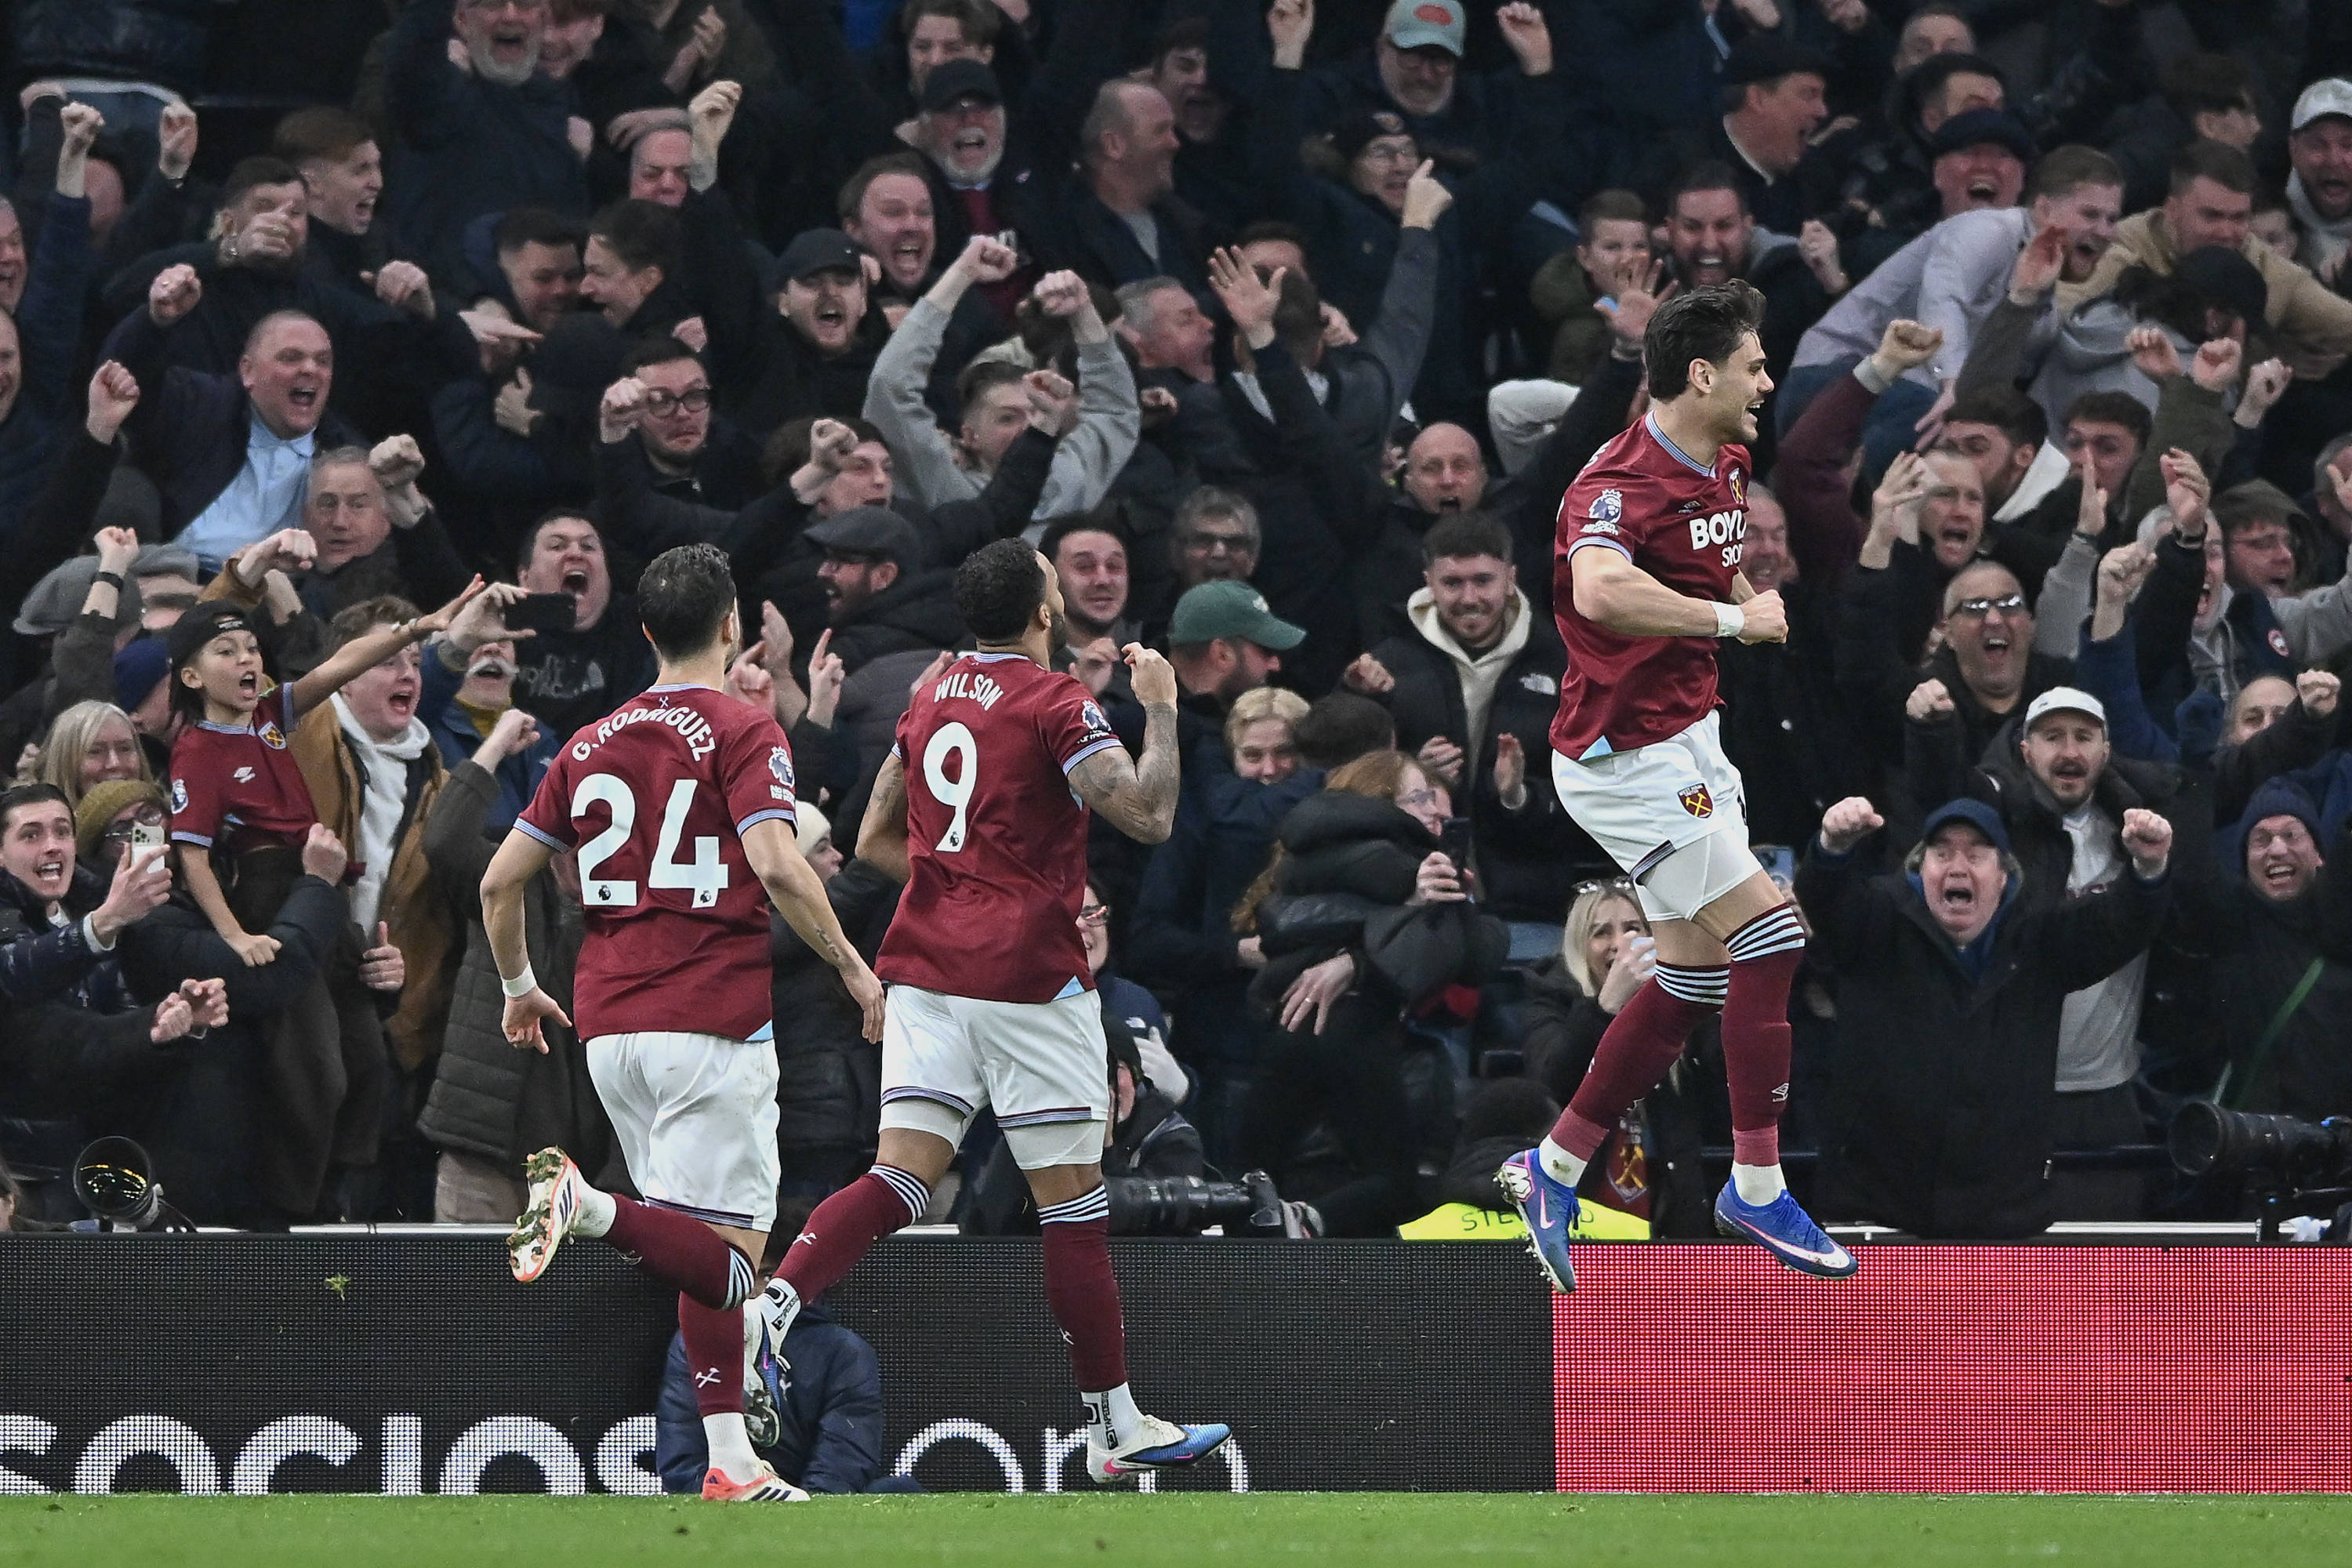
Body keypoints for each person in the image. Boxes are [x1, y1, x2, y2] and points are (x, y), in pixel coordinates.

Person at [754, 537, 1230, 1485]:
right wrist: (1164, 708)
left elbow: (872, 837)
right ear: (1046, 611)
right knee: (1074, 1206)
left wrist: (960, 882)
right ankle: (1115, 1424)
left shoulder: (931, 695)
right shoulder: (1058, 702)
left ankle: (772, 1305)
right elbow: (1148, 814)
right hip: (1026, 981)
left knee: (900, 1177)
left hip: (926, 969)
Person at [494, 542, 884, 1505]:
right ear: (730, 623)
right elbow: (780, 862)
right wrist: (852, 966)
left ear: (643, 630)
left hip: (610, 1027)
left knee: (694, 1251)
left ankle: (730, 1460)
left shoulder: (588, 741)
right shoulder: (745, 728)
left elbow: (500, 880)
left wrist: (519, 985)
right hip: (710, 1019)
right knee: (733, 1264)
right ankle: (586, 1205)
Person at [1496, 282, 1852, 1290]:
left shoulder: (1727, 461)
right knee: (1772, 935)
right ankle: (1757, 1183)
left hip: (1690, 738)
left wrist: (1743, 594)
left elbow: (1705, 564)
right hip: (1621, 757)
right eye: (1754, 365)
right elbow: (1603, 587)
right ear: (1701, 374)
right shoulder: (1613, 482)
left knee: (1694, 981)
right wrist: (1737, 622)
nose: (1768, 382)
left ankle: (1553, 1165)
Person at [1799, 796, 2175, 1239]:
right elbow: (1825, 895)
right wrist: (1833, 845)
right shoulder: (1878, 921)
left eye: (1976, 855)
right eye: (1942, 854)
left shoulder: (2039, 939)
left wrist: (2149, 866)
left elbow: (2119, 925)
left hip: (2003, 1215)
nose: (1958, 867)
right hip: (1876, 1210)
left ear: (2002, 876)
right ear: (1921, 870)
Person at [164, 580, 482, 968]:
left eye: (252, 648)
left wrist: (415, 629)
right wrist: (235, 935)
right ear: (192, 678)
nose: (246, 659)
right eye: (227, 652)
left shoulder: (268, 712)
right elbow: (192, 856)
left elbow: (340, 665)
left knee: (362, 999)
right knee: (308, 1005)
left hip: (318, 877)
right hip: (265, 887)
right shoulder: (197, 751)